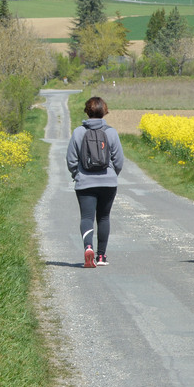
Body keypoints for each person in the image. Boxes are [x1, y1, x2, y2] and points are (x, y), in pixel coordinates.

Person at [66, 95, 125, 268]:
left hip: (85, 183)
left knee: (86, 217)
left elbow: (71, 159)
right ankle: (101, 257)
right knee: (104, 217)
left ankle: (88, 248)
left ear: (87, 111)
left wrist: (78, 174)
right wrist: (113, 174)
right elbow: (119, 160)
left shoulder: (78, 132)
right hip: (108, 183)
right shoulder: (111, 132)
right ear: (104, 111)